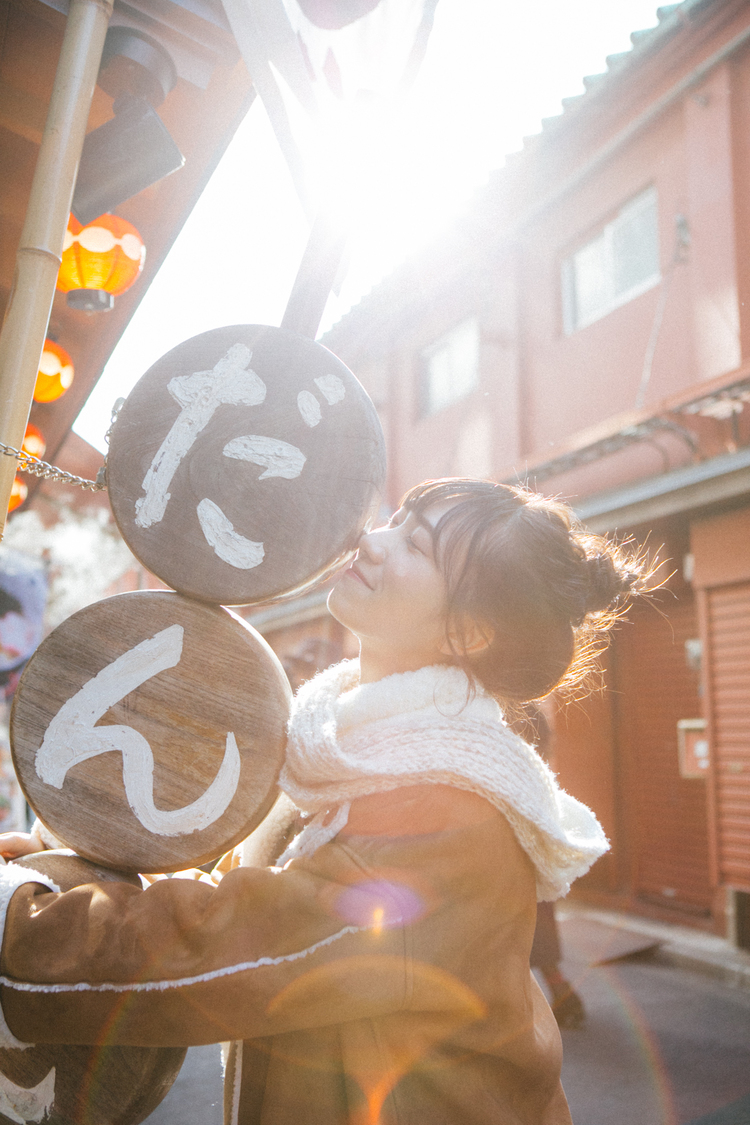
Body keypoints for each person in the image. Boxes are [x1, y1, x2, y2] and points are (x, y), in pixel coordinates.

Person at [0, 478, 645, 1125]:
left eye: (415, 545)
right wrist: (73, 868)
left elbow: (230, 947)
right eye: (397, 517)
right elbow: (250, 894)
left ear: (469, 634)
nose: (373, 538)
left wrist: (18, 923)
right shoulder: (343, 750)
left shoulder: (452, 815)